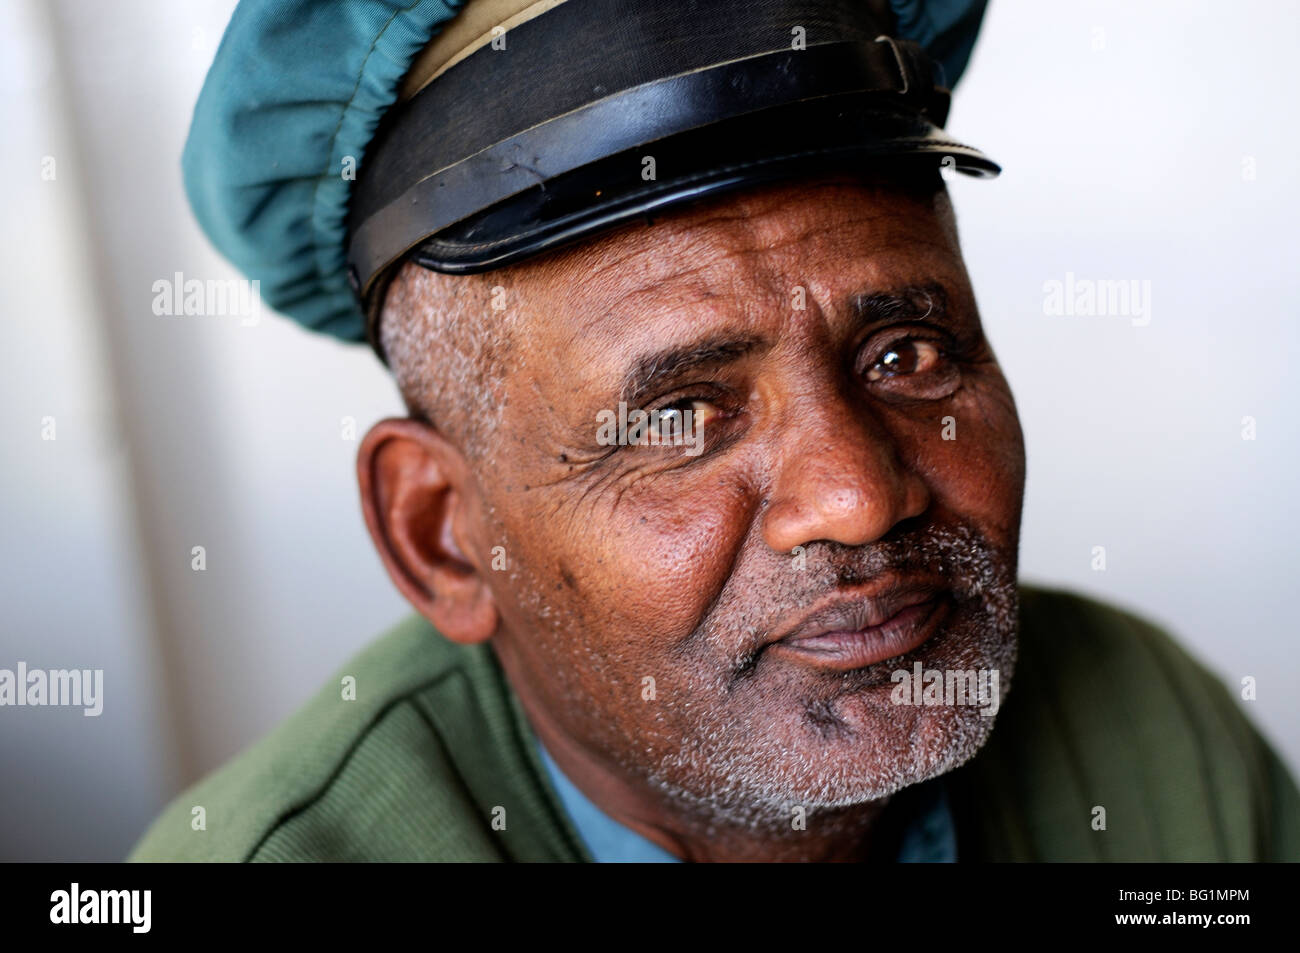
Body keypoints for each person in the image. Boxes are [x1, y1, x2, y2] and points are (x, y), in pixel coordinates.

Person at [128, 0, 1299, 862]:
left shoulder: (1151, 737)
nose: (857, 495)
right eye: (680, 416)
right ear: (444, 533)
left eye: (907, 355)